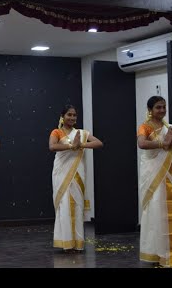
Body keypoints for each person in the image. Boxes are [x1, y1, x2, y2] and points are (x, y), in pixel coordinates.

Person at [137, 96, 172, 268]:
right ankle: (156, 252)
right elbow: (142, 144)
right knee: (155, 210)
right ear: (150, 110)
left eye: (163, 107)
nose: (162, 110)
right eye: (158, 107)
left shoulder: (171, 128)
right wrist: (163, 142)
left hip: (169, 173)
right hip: (152, 174)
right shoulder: (145, 127)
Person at [49, 104, 103, 252]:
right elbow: (52, 146)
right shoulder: (57, 132)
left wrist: (81, 144)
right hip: (62, 173)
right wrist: (72, 146)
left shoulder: (81, 133)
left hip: (77, 174)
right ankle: (66, 242)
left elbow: (99, 143)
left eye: (74, 115)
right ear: (62, 116)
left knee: (77, 206)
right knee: (64, 205)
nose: (72, 118)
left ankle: (77, 242)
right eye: (69, 115)